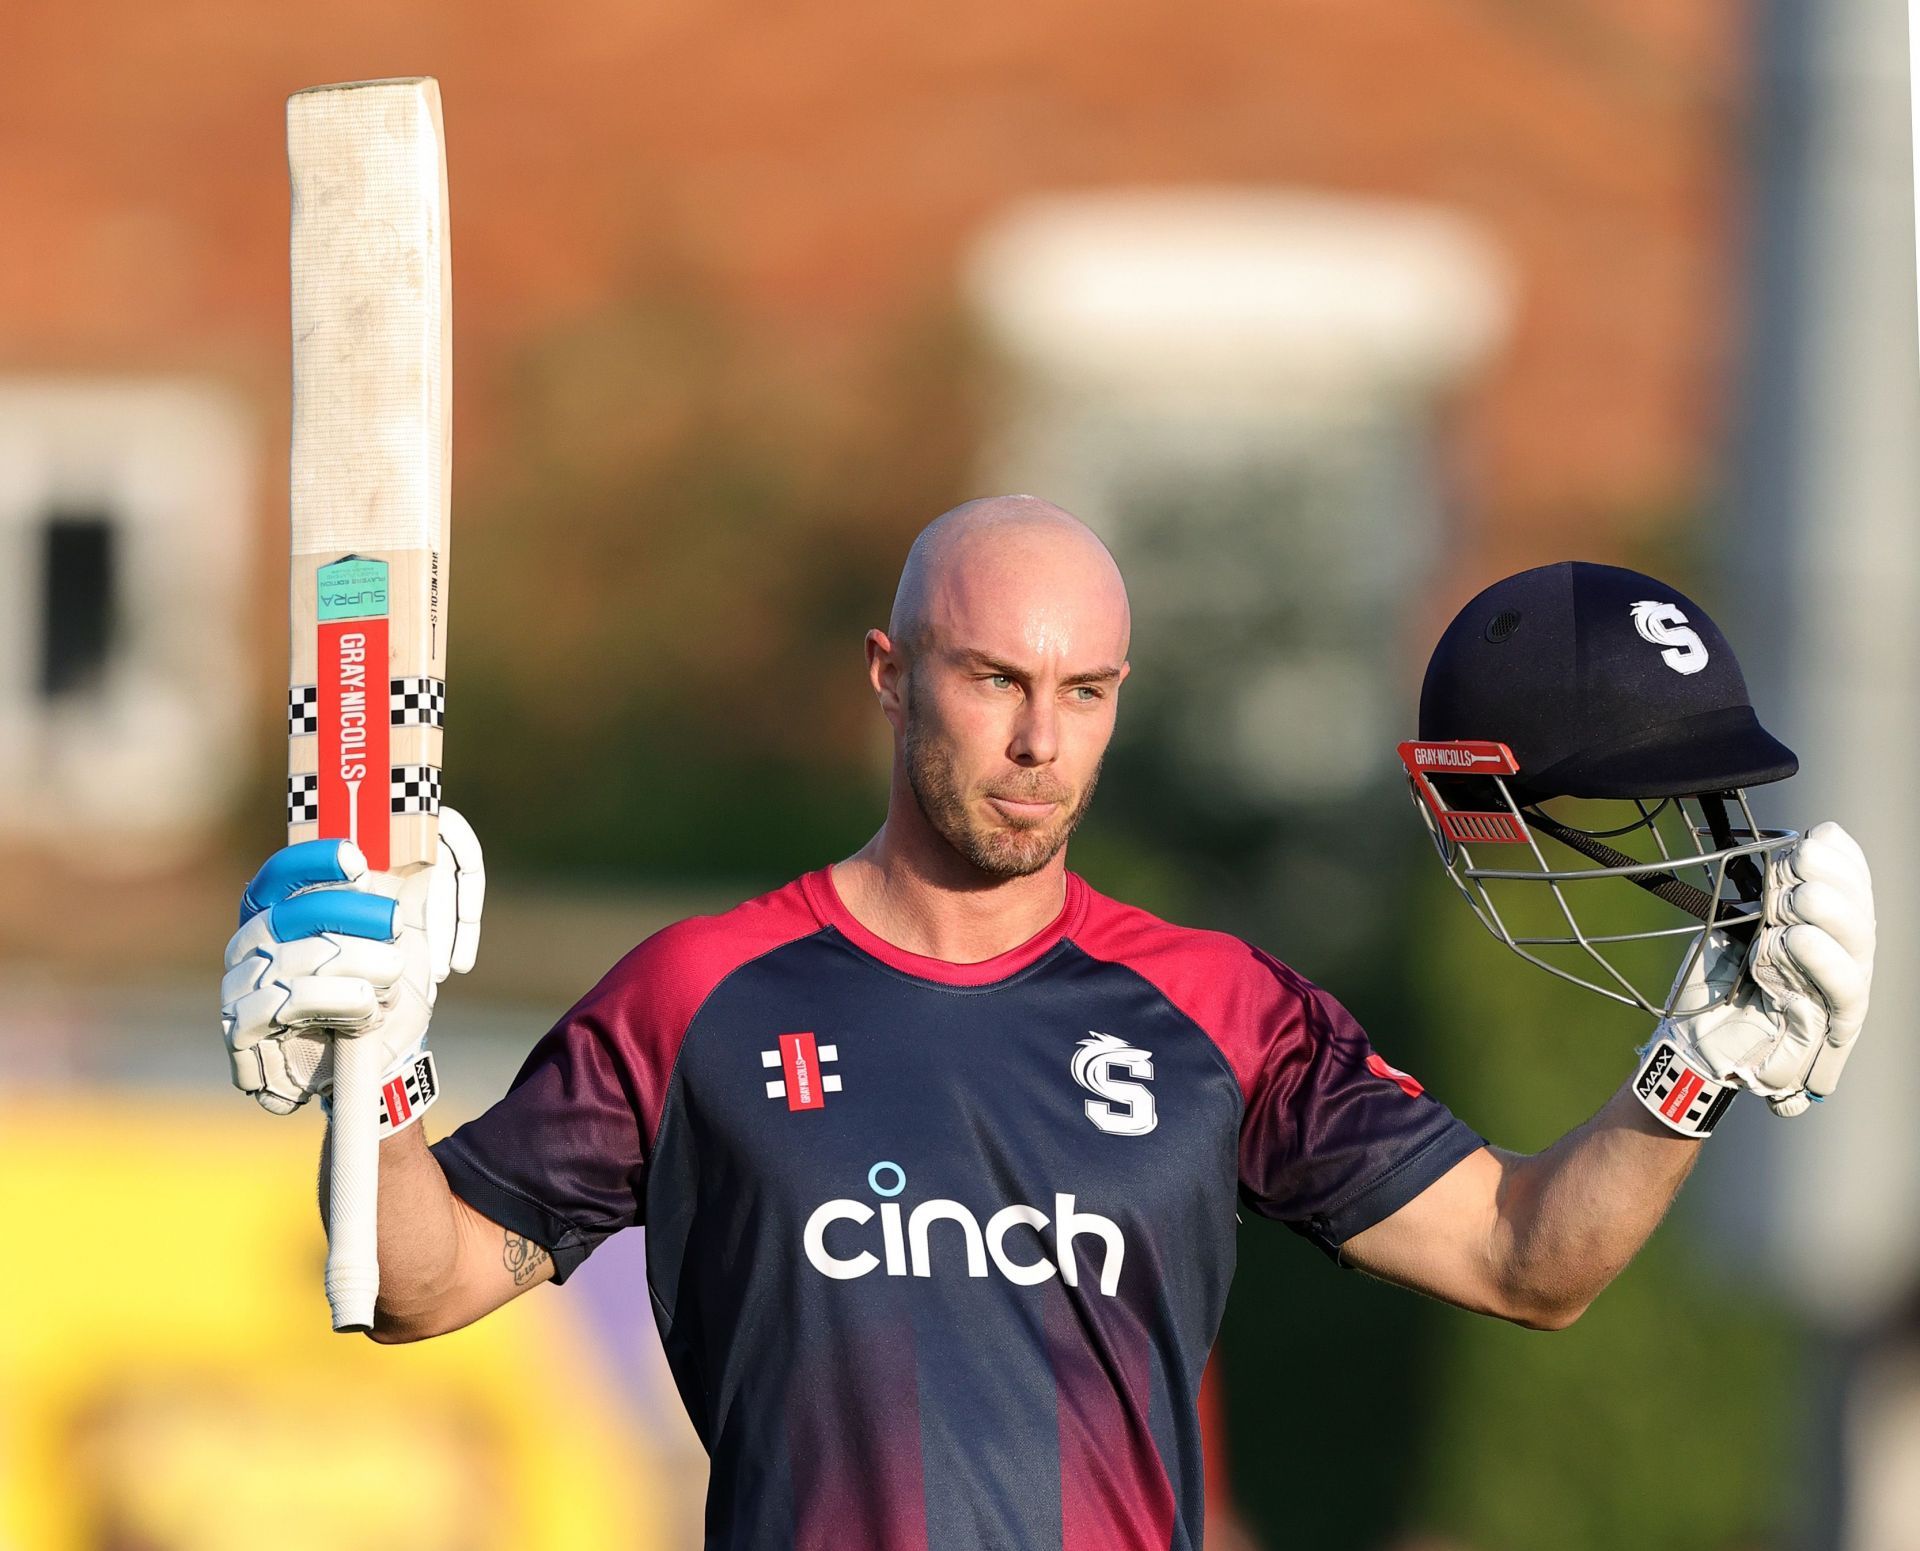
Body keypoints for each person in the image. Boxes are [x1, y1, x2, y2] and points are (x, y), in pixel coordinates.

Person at [221, 496, 1875, 1551]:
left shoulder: (1221, 1010)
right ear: (888, 673)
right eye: (994, 680)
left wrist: (1694, 1068)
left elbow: (1529, 1261)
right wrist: (365, 1068)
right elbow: (420, 1286)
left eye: (1083, 694)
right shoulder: (698, 994)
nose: (1039, 743)